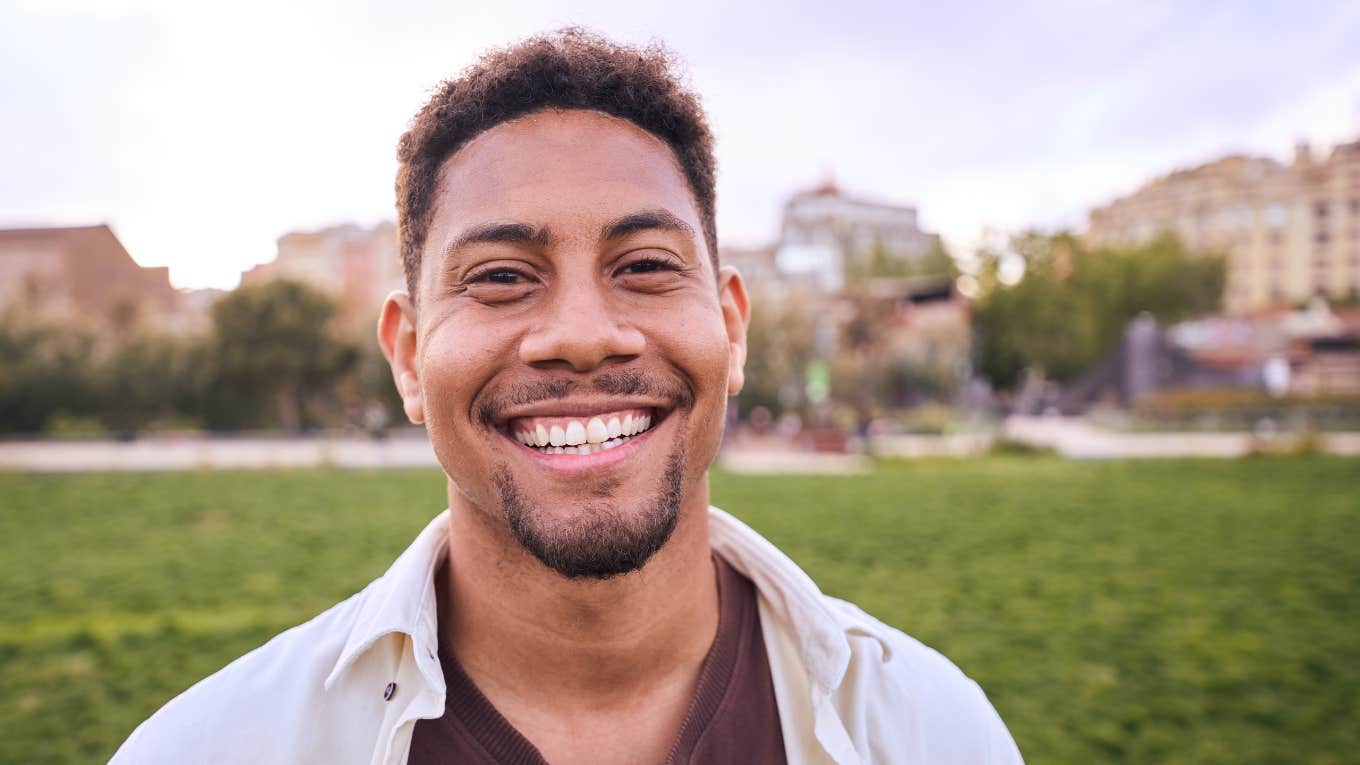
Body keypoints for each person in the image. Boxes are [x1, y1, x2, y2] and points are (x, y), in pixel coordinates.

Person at [111, 29, 1022, 765]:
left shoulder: (935, 732)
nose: (583, 332)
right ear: (409, 354)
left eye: (645, 267)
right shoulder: (211, 748)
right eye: (503, 276)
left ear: (732, 329)